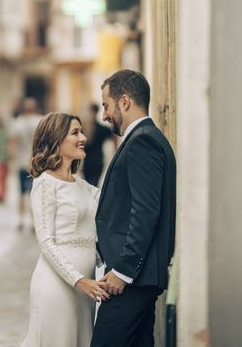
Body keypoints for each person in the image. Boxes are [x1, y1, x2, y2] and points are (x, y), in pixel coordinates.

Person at [92, 70, 176, 347]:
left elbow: (145, 212)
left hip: (132, 281)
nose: (104, 115)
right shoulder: (145, 137)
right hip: (139, 279)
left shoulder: (143, 141)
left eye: (106, 105)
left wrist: (123, 271)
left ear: (124, 101)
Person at [21, 112, 109, 347]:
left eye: (82, 131)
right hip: (57, 288)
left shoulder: (82, 186)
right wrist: (79, 280)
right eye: (75, 133)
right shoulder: (45, 185)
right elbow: (46, 243)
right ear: (56, 139)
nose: (83, 137)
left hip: (85, 293)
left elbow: (113, 201)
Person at [9, 98, 43, 230]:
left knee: (21, 192)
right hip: (37, 163)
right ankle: (34, 221)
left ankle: (21, 220)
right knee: (35, 193)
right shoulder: (41, 121)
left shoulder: (18, 123)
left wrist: (12, 160)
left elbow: (12, 144)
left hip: (22, 163)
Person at [83, 103, 114, 187]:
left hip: (92, 161)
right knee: (91, 184)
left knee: (89, 184)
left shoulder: (84, 128)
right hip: (94, 160)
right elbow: (113, 136)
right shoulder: (100, 128)